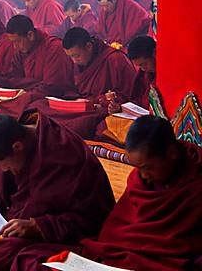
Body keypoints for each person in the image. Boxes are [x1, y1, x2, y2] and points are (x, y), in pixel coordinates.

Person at [0, 113, 115, 270]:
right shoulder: (22, 138)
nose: (5, 171)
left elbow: (91, 219)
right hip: (12, 218)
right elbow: (13, 191)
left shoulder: (64, 157)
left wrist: (37, 226)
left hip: (59, 233)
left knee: (15, 254)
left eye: (4, 165)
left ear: (17, 147)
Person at [78, 116, 202, 270]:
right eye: (138, 168)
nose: (142, 175)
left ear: (171, 153)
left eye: (147, 168)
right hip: (133, 258)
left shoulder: (196, 184)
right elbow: (115, 232)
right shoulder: (139, 181)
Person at [32, 27, 140, 138]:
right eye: (70, 57)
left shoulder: (115, 59)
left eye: (76, 56)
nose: (74, 61)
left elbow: (130, 95)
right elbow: (72, 87)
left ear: (88, 46)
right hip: (81, 104)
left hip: (100, 109)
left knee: (79, 125)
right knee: (41, 106)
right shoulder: (80, 61)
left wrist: (103, 101)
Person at [0, 15, 76, 118]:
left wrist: (25, 96)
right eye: (12, 42)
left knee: (37, 108)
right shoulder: (21, 50)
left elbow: (53, 87)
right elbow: (12, 79)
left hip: (46, 98)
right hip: (26, 94)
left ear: (30, 35)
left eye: (17, 41)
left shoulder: (53, 48)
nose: (14, 46)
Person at [127, 35, 156, 108]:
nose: (143, 69)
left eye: (144, 64)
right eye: (139, 66)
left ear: (155, 53)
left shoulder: (168, 72)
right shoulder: (145, 74)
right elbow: (139, 99)